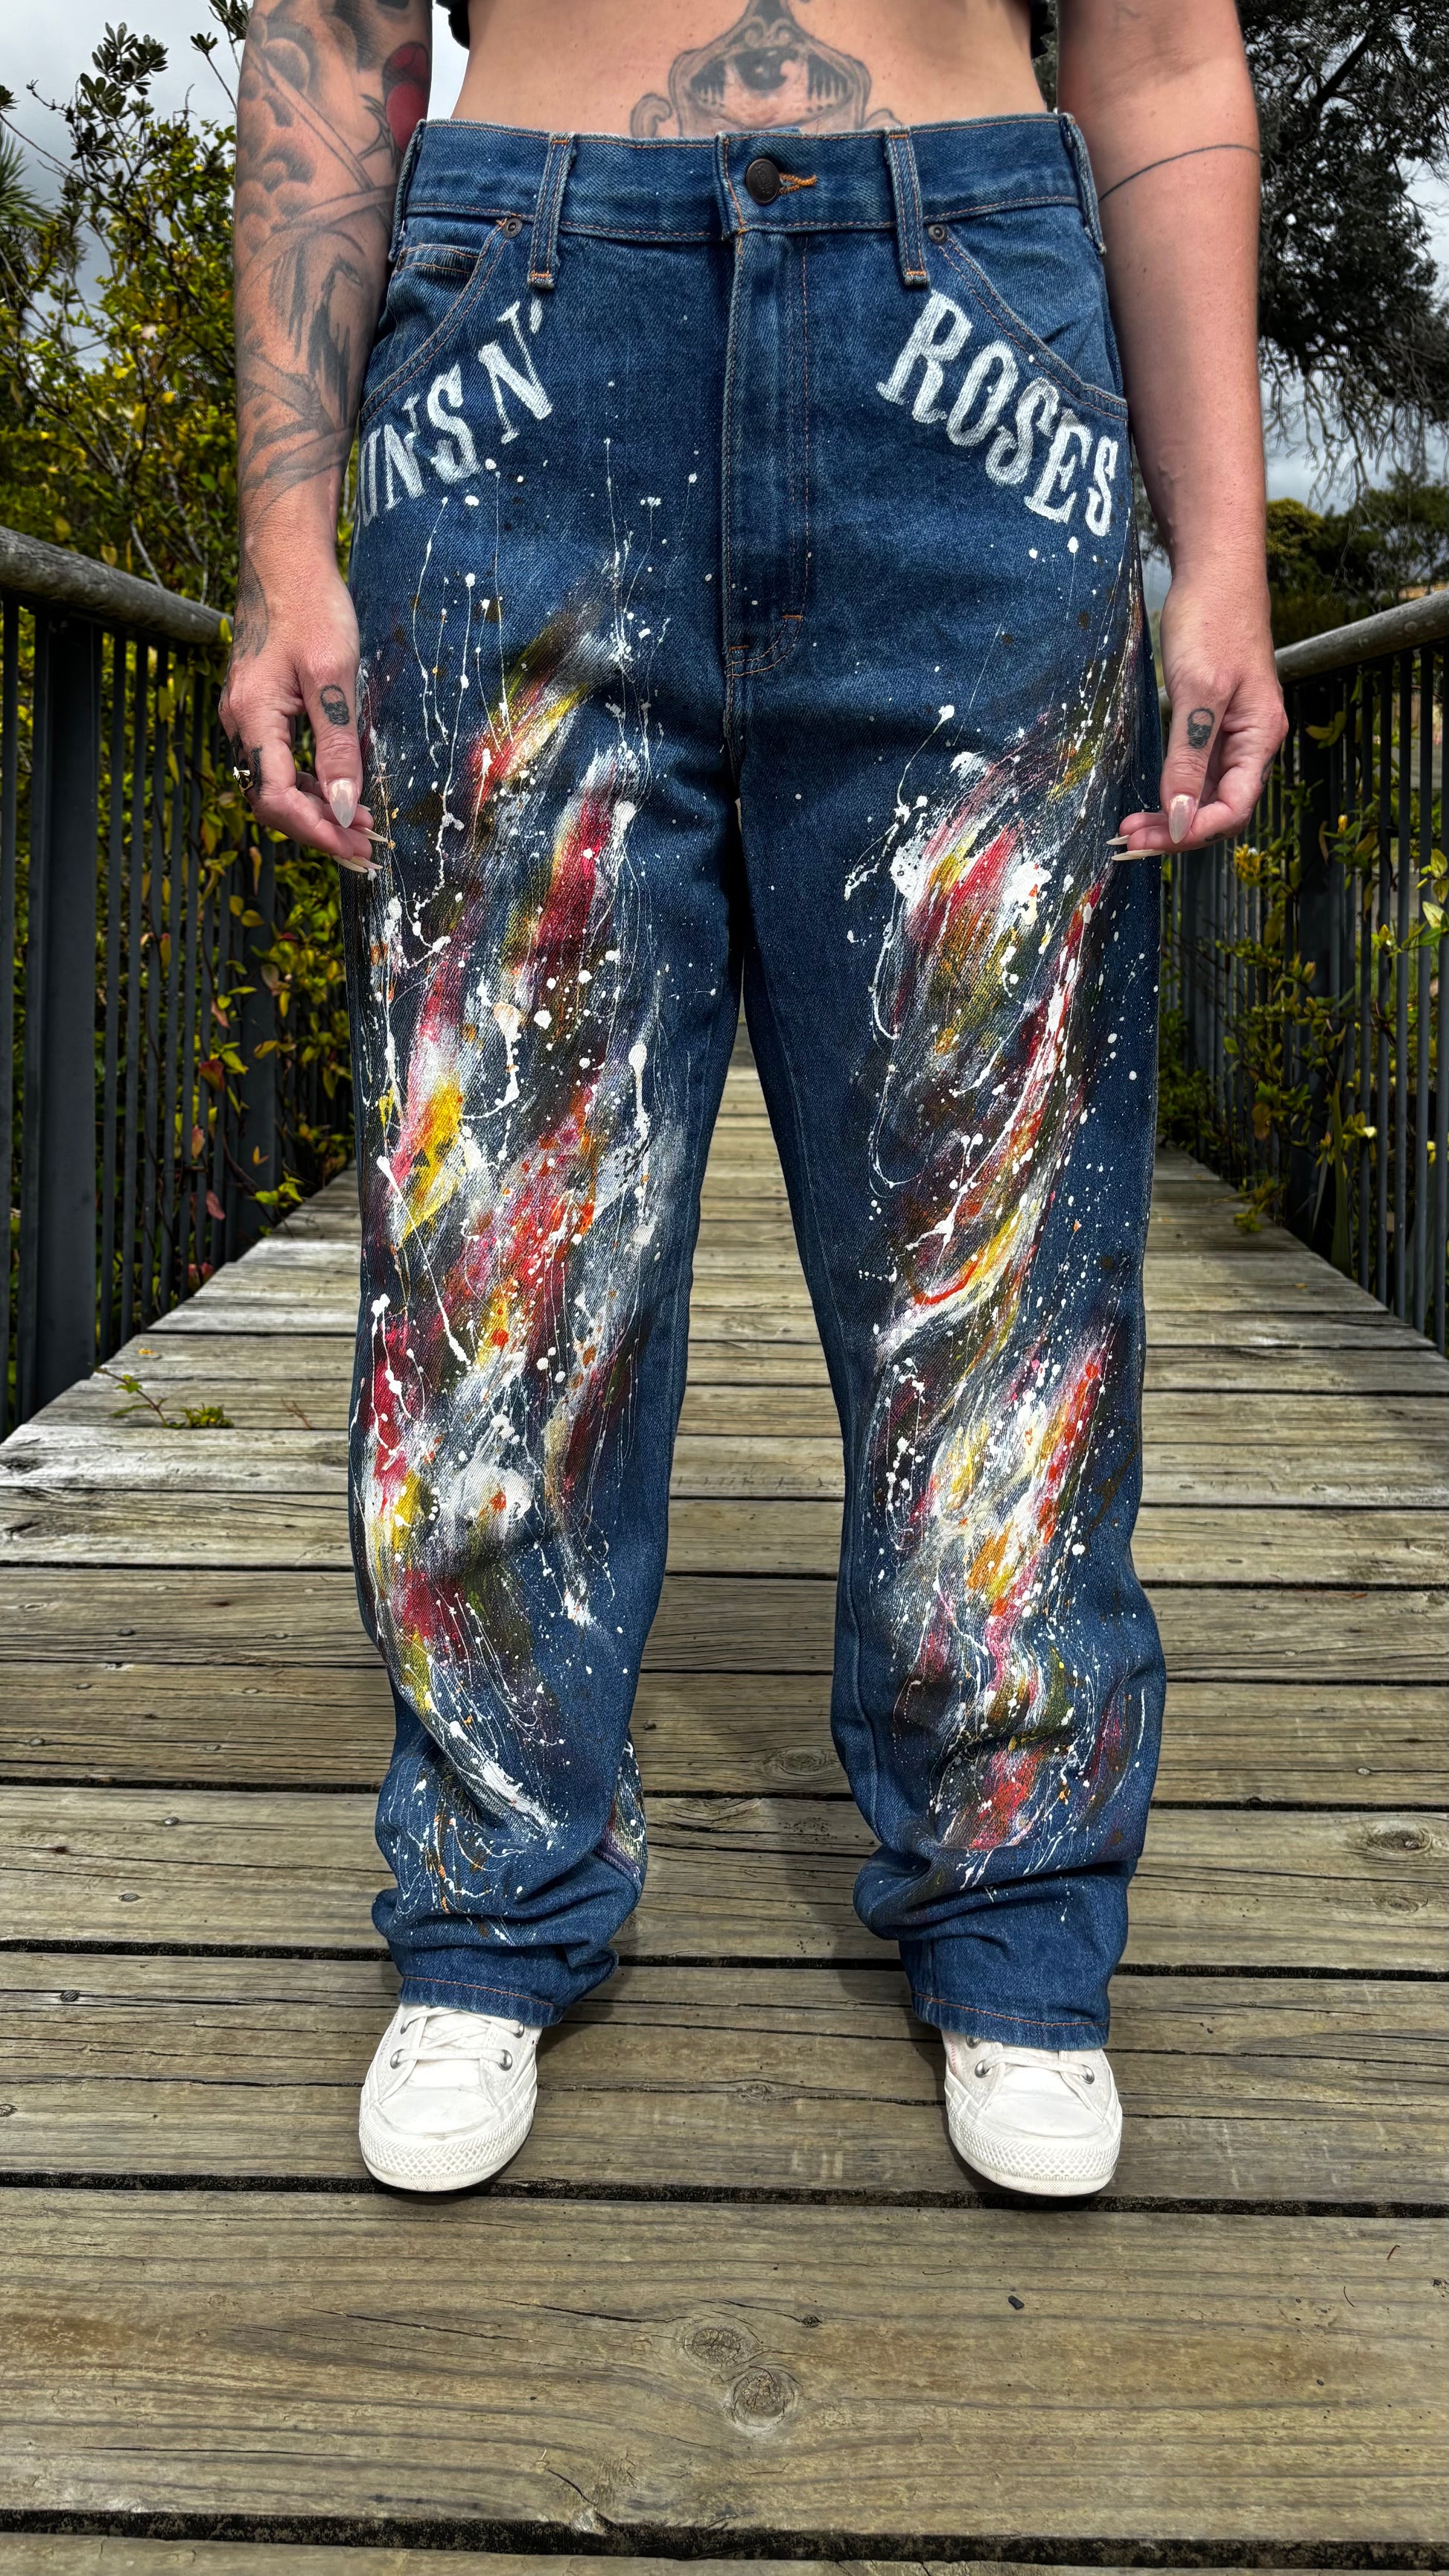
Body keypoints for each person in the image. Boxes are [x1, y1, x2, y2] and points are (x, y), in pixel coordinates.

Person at [221, 0, 1284, 2199]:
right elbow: (333, 36)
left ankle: (1014, 1907)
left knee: (994, 1214)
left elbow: (1164, 54)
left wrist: (1227, 554)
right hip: (517, 336)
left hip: (971, 345)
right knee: (503, 1213)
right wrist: (284, 539)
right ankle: (495, 1882)